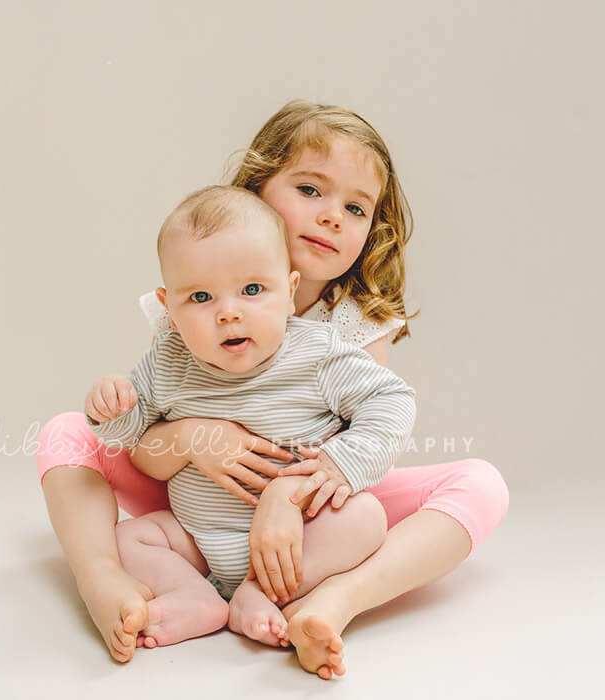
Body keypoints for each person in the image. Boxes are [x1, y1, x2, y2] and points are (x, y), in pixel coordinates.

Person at [35, 100, 509, 680]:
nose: (332, 216)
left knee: (474, 487)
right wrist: (190, 436)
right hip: (195, 498)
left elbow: (374, 433)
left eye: (355, 207)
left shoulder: (352, 326)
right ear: (258, 190)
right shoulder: (200, 285)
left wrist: (286, 497)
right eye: (311, 190)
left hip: (307, 513)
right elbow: (149, 426)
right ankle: (102, 576)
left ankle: (333, 599)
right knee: (66, 432)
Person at [84, 185, 415, 656]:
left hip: (296, 536)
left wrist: (339, 464)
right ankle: (194, 596)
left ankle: (260, 592)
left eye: (253, 290)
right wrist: (112, 409)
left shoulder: (315, 353)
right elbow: (135, 440)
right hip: (197, 541)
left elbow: (392, 399)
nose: (229, 312)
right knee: (130, 536)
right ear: (169, 309)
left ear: (289, 291)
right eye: (200, 297)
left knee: (364, 519)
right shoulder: (169, 360)